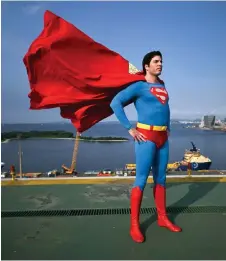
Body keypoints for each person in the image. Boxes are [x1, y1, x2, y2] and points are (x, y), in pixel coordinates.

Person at [110, 51, 182, 243]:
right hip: (146, 137)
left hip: (162, 137)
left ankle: (162, 218)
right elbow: (115, 103)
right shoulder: (139, 86)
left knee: (161, 179)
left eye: (161, 61)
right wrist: (129, 128)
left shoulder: (162, 85)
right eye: (156, 62)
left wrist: (168, 129)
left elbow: (165, 108)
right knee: (141, 180)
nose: (160, 64)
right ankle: (134, 225)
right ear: (146, 67)